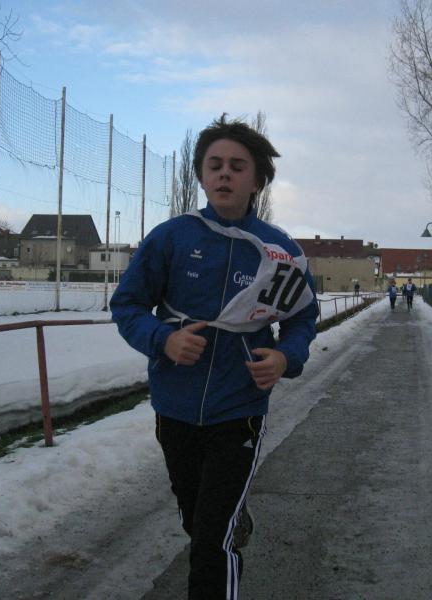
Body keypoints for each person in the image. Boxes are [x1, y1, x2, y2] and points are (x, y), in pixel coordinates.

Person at [110, 114, 318, 600]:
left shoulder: (280, 251)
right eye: (215, 165)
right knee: (196, 518)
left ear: (257, 180)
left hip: (239, 407)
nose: (225, 174)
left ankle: (225, 529)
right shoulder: (172, 238)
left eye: (238, 167)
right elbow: (127, 305)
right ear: (202, 177)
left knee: (211, 541)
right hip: (175, 406)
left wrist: (285, 358)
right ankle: (229, 518)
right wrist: (163, 339)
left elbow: (303, 317)